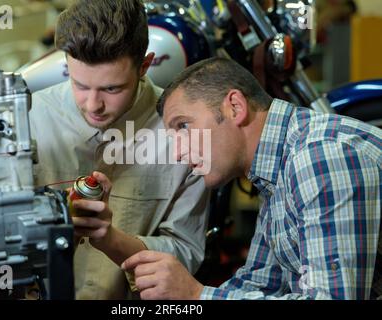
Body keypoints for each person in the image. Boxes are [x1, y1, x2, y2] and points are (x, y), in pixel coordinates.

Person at [122, 57, 382, 300]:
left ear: (235, 107)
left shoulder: (319, 155)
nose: (177, 153)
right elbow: (259, 282)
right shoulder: (274, 171)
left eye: (183, 126)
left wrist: (196, 294)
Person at [28, 0, 210, 299]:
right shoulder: (30, 119)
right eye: (80, 85)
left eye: (112, 89)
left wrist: (110, 239)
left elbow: (185, 254)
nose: (93, 105)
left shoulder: (184, 134)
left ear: (145, 66)